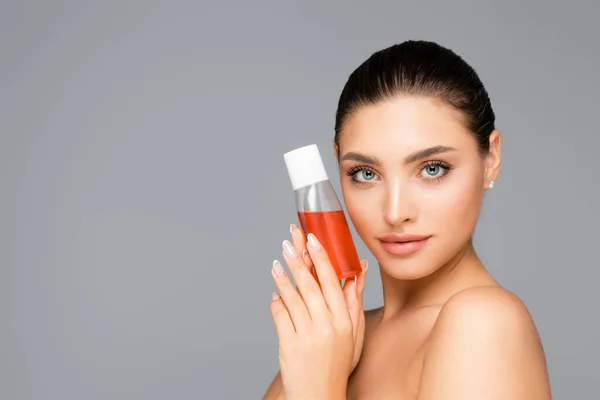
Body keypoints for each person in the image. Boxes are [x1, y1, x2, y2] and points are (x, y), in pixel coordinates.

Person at [263, 40, 552, 399]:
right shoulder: (332, 340)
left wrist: (317, 389)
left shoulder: (484, 323)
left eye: (432, 169)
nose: (395, 212)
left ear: (490, 158)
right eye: (366, 173)